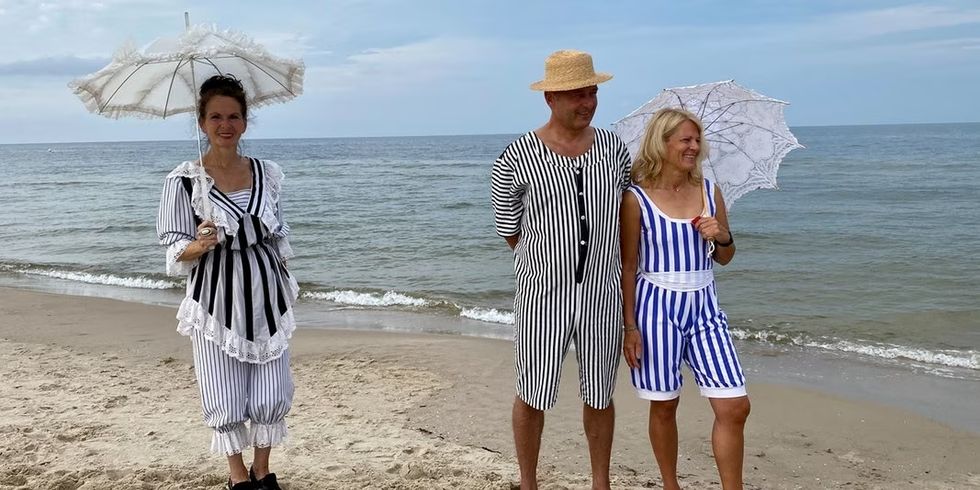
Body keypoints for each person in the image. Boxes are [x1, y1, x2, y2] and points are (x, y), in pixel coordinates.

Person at [490, 50, 631, 490]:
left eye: (592, 92)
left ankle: (600, 483)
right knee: (532, 393)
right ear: (550, 97)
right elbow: (507, 225)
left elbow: (631, 213)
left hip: (603, 296)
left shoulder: (615, 150)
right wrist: (547, 260)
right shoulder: (517, 155)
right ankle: (528, 482)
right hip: (541, 297)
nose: (587, 102)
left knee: (600, 394)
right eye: (576, 94)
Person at [156, 74, 298, 490]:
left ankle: (262, 469)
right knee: (225, 395)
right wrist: (201, 242)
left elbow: (280, 234)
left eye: (233, 116)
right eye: (216, 116)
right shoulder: (183, 181)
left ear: (245, 122)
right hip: (214, 300)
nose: (225, 125)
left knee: (272, 393)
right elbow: (173, 250)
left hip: (267, 296)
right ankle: (237, 476)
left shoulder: (266, 173)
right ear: (201, 122)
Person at [620, 108, 751, 490]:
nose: (695, 147)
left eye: (697, 140)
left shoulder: (710, 191)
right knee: (664, 403)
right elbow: (628, 268)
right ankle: (670, 484)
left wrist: (721, 234)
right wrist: (630, 327)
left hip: (705, 305)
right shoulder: (635, 199)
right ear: (662, 144)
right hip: (655, 307)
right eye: (686, 140)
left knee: (735, 405)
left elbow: (725, 257)